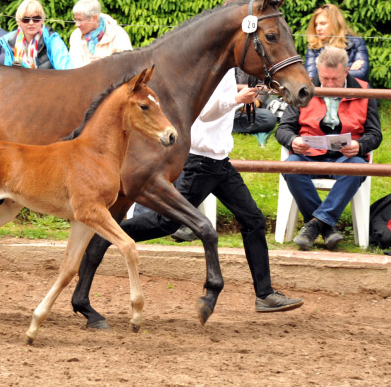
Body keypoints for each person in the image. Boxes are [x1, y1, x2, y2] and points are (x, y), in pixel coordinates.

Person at [127, 68, 304, 312]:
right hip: (200, 162)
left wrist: (242, 97)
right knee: (166, 223)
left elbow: (219, 108)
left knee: (253, 220)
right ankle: (108, 234)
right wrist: (236, 100)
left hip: (219, 162)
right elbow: (206, 112)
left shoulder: (228, 71)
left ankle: (265, 294)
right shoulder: (213, 70)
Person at [276, 47, 382, 251]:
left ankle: (314, 225)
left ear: (347, 71)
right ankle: (325, 227)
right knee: (290, 166)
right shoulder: (302, 88)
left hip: (345, 158)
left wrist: (359, 146)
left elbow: (375, 134)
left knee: (358, 168)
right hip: (309, 156)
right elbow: (284, 129)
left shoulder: (365, 91)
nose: (329, 84)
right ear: (317, 70)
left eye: (335, 79)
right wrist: (293, 140)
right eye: (325, 78)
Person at [0, 0, 73, 69]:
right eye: (26, 19)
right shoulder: (9, 42)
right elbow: (9, 73)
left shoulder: (52, 40)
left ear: (43, 20)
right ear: (18, 22)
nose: (31, 23)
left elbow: (66, 70)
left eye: (36, 19)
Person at [304, 3, 370, 82]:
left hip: (352, 91)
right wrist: (348, 69)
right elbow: (311, 78)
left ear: (335, 23)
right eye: (315, 25)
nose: (318, 28)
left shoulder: (356, 43)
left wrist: (324, 73)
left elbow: (362, 74)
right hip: (323, 92)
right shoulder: (314, 46)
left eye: (323, 23)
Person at [68, 0, 132, 67]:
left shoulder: (118, 34)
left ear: (94, 18)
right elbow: (73, 66)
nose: (77, 24)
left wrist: (106, 64)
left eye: (80, 20)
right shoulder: (76, 35)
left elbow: (128, 65)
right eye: (75, 19)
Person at [232, 68, 278, 135]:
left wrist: (256, 102)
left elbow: (266, 86)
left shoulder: (253, 62)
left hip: (243, 108)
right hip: (221, 106)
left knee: (269, 119)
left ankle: (227, 125)